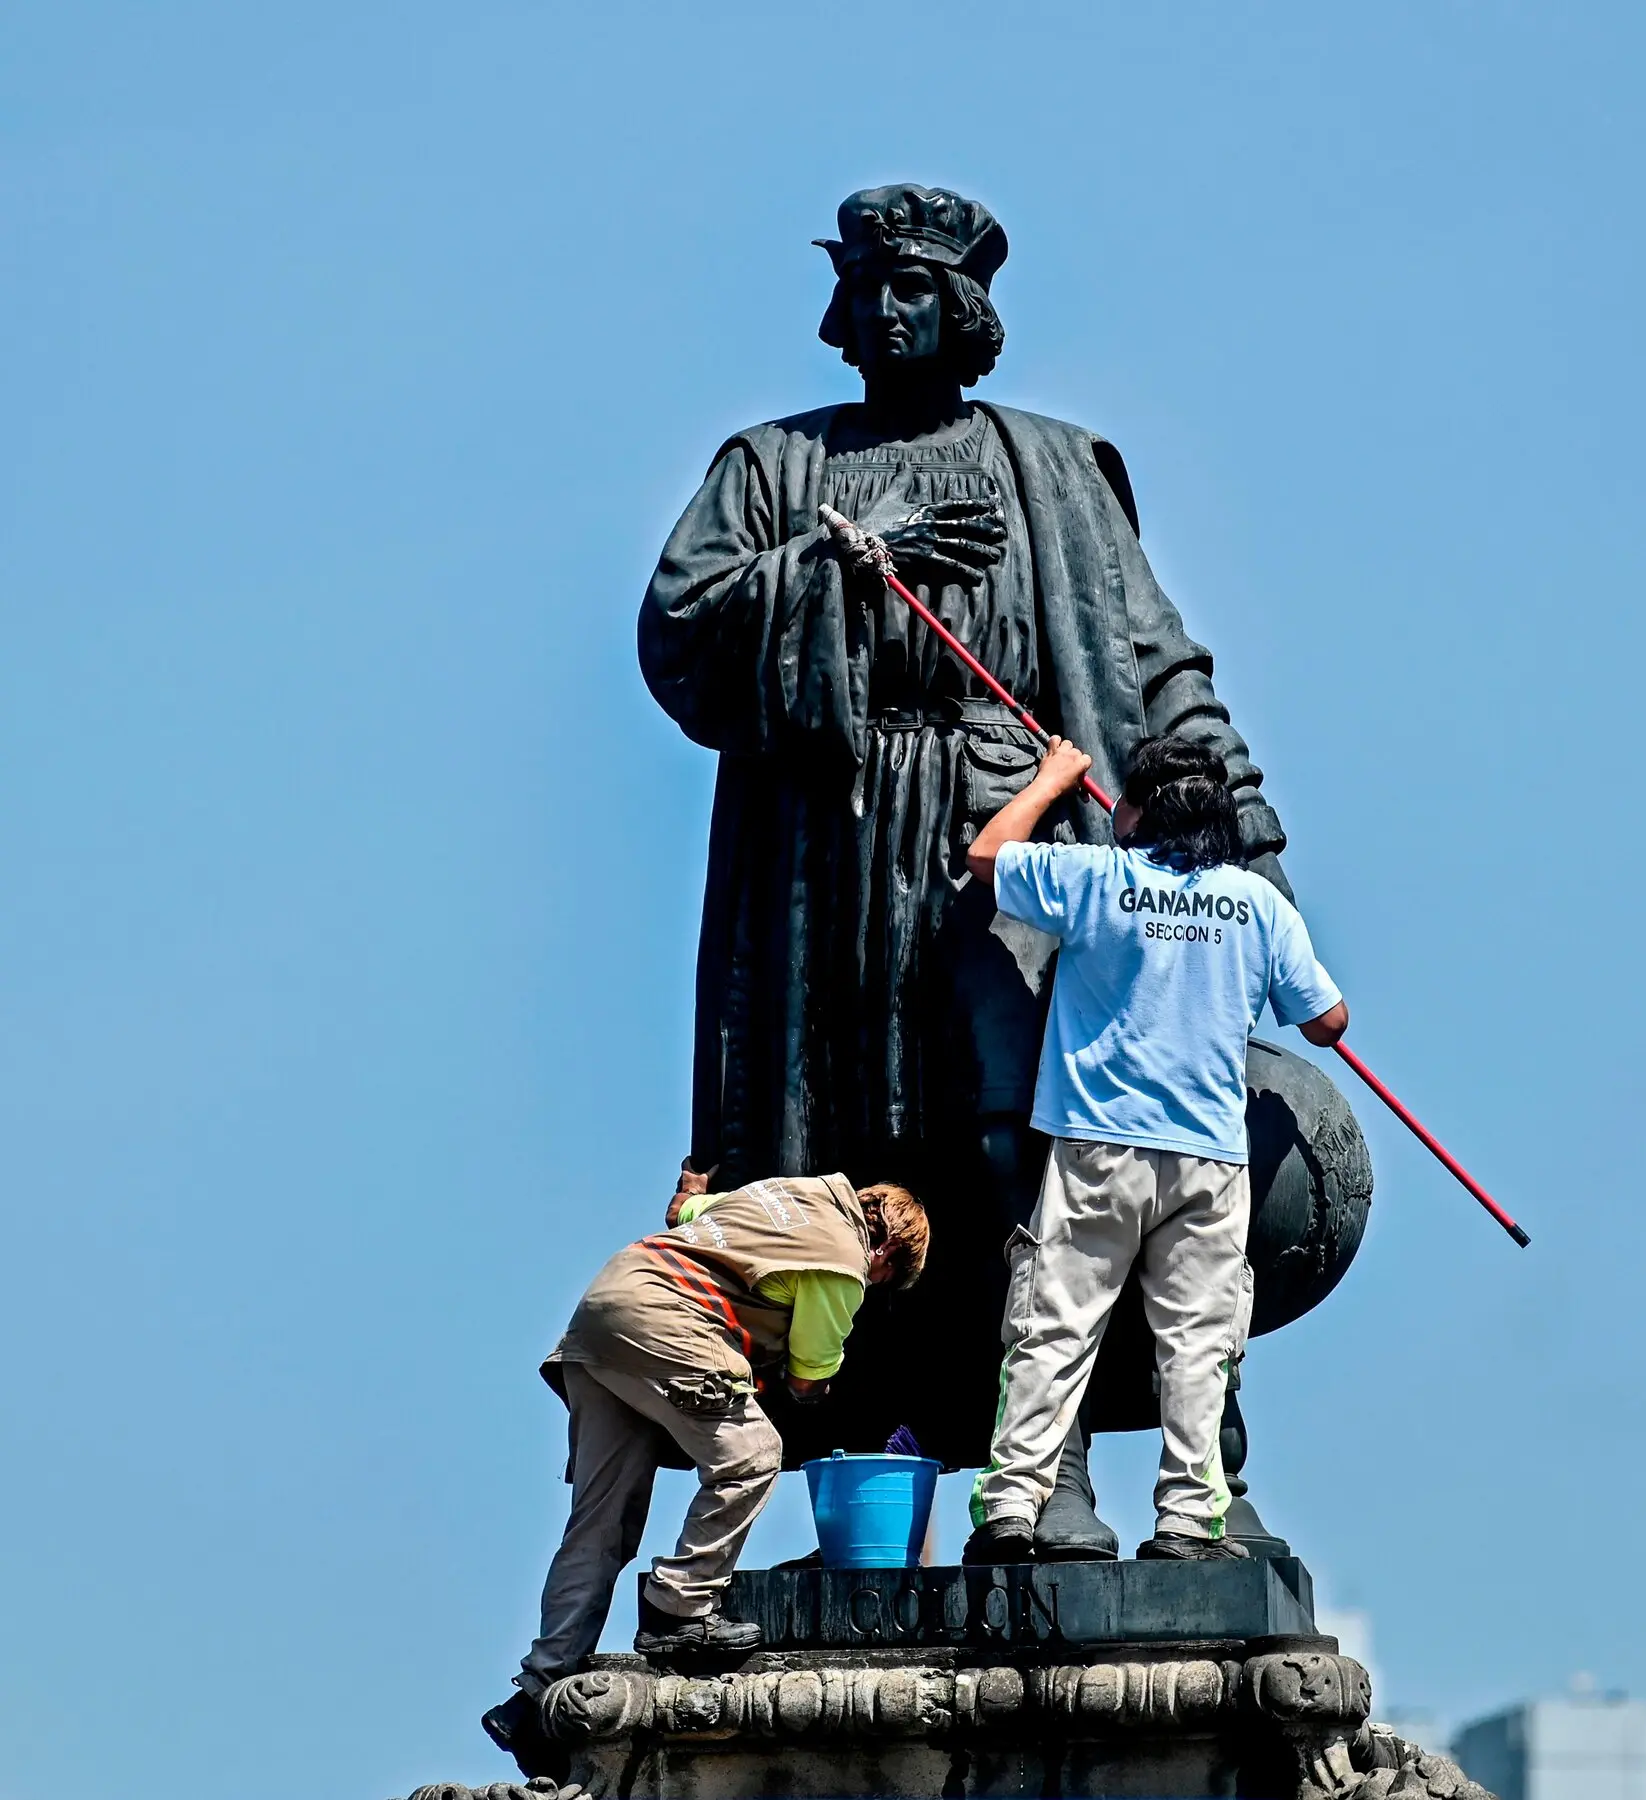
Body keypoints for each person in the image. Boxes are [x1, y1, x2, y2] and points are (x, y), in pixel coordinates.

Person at [639, 183, 1296, 1555]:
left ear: (969, 309)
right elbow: (682, 632)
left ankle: (1045, 1474)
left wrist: (1247, 845)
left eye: (918, 287)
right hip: (832, 858)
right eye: (869, 285)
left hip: (1016, 850)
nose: (889, 308)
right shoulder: (771, 468)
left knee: (1027, 1156)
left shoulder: (1055, 470)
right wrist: (847, 572)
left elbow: (1154, 667)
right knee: (851, 1176)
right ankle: (862, 1491)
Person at [959, 733, 1348, 1565]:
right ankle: (1185, 1524)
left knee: (1054, 1332)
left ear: (1133, 812)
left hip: (1099, 1151)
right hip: (1209, 1161)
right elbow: (1326, 1021)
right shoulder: (1255, 906)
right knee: (1198, 1348)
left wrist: (1054, 777)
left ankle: (1010, 1511)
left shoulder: (1098, 881)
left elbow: (988, 855)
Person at [482, 1167, 929, 1776]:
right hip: (667, 1322)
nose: (871, 1286)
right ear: (884, 1250)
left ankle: (537, 1691)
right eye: (883, 1279)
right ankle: (681, 1607)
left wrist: (692, 1186)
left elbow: (685, 1213)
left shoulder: (780, 1194)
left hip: (605, 1313)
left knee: (600, 1520)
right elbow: (809, 1376)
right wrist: (815, 1385)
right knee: (752, 1455)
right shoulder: (844, 1257)